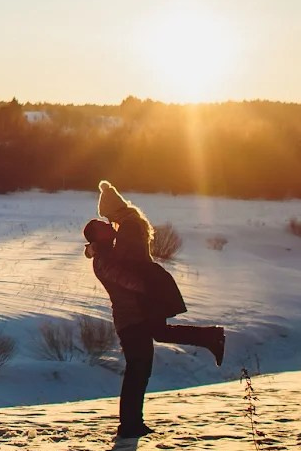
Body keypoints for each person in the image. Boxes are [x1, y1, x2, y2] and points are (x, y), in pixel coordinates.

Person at [85, 180, 225, 437]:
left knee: (142, 366)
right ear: (97, 237)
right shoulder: (105, 256)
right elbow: (125, 277)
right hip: (130, 318)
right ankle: (130, 425)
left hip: (137, 313)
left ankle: (132, 424)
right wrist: (149, 288)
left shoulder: (114, 243)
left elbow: (128, 264)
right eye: (102, 225)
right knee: (138, 368)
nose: (108, 224)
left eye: (107, 219)